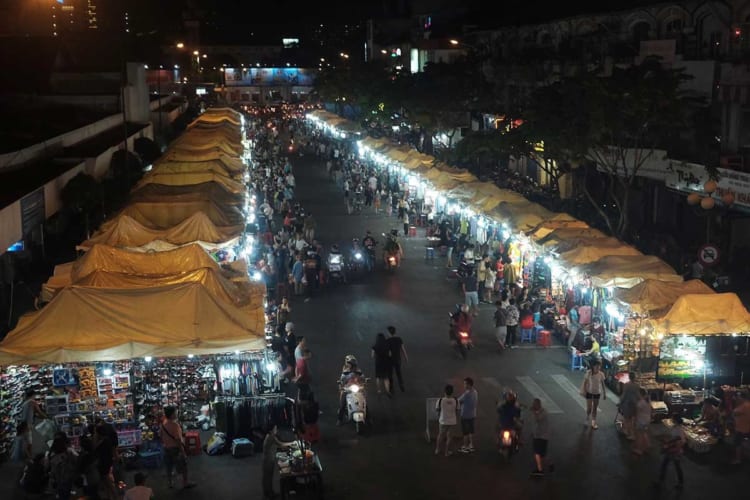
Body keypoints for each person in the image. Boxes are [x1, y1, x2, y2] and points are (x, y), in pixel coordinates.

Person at [160, 406, 196, 489]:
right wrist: (183, 452)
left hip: (166, 448)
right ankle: (185, 483)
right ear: (172, 414)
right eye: (175, 412)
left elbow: (161, 436)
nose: (176, 413)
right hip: (175, 449)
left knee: (169, 466)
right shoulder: (175, 425)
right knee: (183, 466)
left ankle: (170, 483)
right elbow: (178, 440)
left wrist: (166, 443)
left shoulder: (163, 424)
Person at [262, 426, 296, 500]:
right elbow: (281, 444)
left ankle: (268, 493)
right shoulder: (271, 437)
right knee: (268, 478)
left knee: (266, 477)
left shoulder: (268, 436)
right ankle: (270, 494)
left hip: (267, 459)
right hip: (268, 460)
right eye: (275, 429)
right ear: (271, 430)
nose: (276, 430)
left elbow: (279, 445)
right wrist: (292, 443)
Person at [654, 416, 685, 490]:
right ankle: (661, 481)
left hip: (675, 450)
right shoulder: (675, 427)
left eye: (673, 419)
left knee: (674, 467)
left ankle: (679, 483)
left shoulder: (679, 430)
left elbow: (681, 441)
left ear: (676, 421)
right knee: (666, 465)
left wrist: (674, 447)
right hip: (672, 449)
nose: (672, 420)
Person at [47, 434, 78, 500]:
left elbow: (51, 471)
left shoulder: (53, 458)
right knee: (66, 494)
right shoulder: (69, 453)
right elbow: (75, 462)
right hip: (69, 478)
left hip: (59, 481)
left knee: (62, 495)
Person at [337, 356, 365, 425]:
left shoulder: (358, 371)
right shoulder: (345, 371)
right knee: (342, 404)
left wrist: (364, 383)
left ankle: (368, 417)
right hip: (347, 389)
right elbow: (342, 380)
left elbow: (362, 378)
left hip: (357, 388)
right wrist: (341, 385)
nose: (348, 364)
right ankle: (339, 419)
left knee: (364, 402)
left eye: (349, 363)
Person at [579, 361, 607, 429]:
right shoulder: (588, 373)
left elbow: (603, 384)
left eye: (599, 366)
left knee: (595, 408)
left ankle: (593, 422)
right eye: (597, 366)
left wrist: (604, 393)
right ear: (593, 366)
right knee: (589, 408)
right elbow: (585, 383)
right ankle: (587, 418)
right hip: (589, 392)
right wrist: (584, 391)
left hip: (597, 393)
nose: (598, 367)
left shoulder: (601, 374)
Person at [435, 384, 459, 457]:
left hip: (443, 421)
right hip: (452, 421)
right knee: (449, 437)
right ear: (452, 392)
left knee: (440, 435)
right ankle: (446, 452)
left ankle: (437, 449)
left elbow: (437, 410)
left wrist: (440, 416)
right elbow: (457, 411)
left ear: (444, 392)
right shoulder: (456, 400)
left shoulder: (440, 400)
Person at [530, 398, 551, 476]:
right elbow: (535, 424)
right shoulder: (538, 412)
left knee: (537, 453)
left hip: (541, 436)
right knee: (543, 454)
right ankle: (550, 464)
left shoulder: (543, 412)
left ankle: (540, 470)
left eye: (535, 404)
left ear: (539, 404)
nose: (533, 405)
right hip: (538, 435)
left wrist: (534, 412)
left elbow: (537, 419)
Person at [457, 378, 478, 453]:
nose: (464, 385)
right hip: (472, 415)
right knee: (471, 431)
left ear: (469, 384)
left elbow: (458, 400)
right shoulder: (475, 392)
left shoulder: (466, 394)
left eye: (465, 384)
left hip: (465, 415)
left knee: (465, 432)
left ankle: (465, 447)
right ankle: (471, 446)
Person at [386, 325, 408, 393]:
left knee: (390, 374)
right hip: (398, 359)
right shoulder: (399, 339)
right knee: (399, 373)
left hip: (390, 360)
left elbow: (388, 352)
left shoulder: (388, 340)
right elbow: (403, 349)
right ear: (395, 332)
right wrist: (406, 357)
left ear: (389, 333)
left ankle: (391, 388)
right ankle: (402, 386)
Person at [730, 391, 750, 464]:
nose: (737, 398)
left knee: (737, 444)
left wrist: (735, 403)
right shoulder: (746, 405)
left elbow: (734, 413)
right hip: (745, 428)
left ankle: (738, 459)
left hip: (742, 429)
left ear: (742, 397)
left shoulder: (744, 406)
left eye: (738, 396)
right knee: (743, 443)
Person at [619, 372, 641, 440]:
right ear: (634, 377)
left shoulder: (626, 385)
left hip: (627, 404)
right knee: (632, 419)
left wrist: (620, 402)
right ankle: (628, 432)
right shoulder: (637, 385)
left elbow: (624, 395)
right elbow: (638, 395)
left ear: (629, 377)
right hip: (634, 404)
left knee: (627, 419)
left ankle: (629, 433)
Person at [633, 389, 652, 456]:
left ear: (640, 394)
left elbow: (637, 414)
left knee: (639, 436)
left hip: (641, 421)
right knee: (644, 433)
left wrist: (635, 421)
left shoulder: (640, 403)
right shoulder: (648, 401)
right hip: (647, 420)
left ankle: (639, 450)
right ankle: (646, 446)